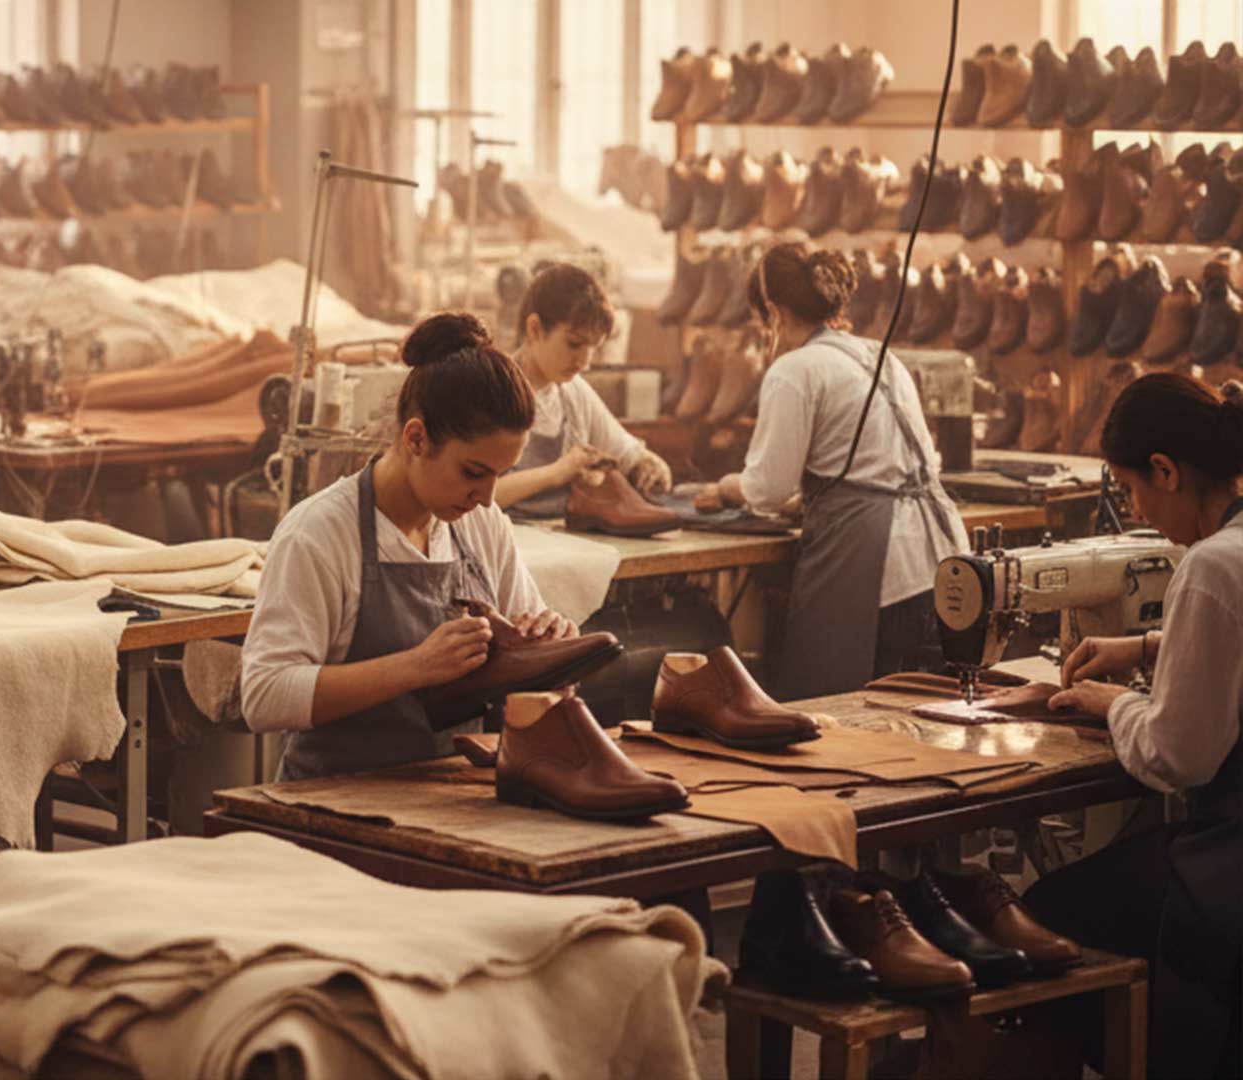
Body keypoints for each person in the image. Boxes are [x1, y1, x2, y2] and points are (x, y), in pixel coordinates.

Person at [241, 313, 577, 781]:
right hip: (332, 803)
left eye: (501, 476)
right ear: (416, 438)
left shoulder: (482, 525)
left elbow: (528, 674)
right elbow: (265, 694)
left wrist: (551, 651)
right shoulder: (319, 534)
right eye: (474, 473)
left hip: (449, 795)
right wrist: (414, 667)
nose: (488, 498)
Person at [1029, 373, 1243, 1078]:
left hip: (1226, 868)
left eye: (1130, 491)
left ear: (1166, 471)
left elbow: (1179, 756)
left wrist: (1110, 703)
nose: (1136, 510)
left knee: (1038, 919)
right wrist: (1148, 648)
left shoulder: (1211, 567)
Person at [712, 241, 967, 699]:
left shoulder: (795, 369)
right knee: (918, 715)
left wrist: (727, 487)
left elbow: (765, 489)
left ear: (773, 311)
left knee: (841, 712)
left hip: (876, 566)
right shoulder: (879, 355)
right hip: (940, 557)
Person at [493, 263, 672, 517]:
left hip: (568, 545)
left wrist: (647, 463)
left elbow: (626, 450)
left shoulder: (573, 391)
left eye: (593, 348)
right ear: (534, 329)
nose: (585, 363)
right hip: (507, 546)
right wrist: (558, 472)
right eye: (574, 344)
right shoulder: (492, 390)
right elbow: (474, 497)